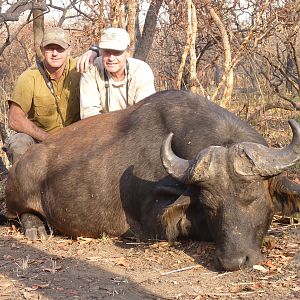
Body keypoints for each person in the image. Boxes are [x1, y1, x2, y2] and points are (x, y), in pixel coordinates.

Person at [3, 27, 80, 164]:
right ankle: (23, 184)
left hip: (76, 140)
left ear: (69, 49)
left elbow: (109, 58)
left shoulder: (80, 68)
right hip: (42, 142)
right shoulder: (29, 77)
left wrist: (94, 51)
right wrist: (48, 139)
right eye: (50, 48)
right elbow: (14, 119)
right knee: (18, 143)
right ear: (42, 49)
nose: (55, 53)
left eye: (60, 49)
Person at [78, 27, 156, 118]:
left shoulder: (141, 71)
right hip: (101, 128)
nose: (111, 58)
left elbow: (145, 113)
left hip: (133, 128)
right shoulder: (91, 69)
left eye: (117, 52)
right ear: (101, 51)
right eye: (107, 52)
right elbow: (89, 115)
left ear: (127, 52)